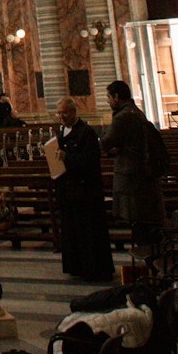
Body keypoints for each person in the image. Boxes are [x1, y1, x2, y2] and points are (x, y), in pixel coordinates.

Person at [101, 79, 165, 253]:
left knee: (138, 223)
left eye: (108, 97)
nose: (107, 101)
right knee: (142, 223)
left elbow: (106, 142)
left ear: (116, 96)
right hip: (140, 174)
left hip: (132, 176)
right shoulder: (135, 111)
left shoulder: (123, 116)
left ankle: (149, 262)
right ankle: (151, 259)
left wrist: (112, 147)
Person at [54, 97, 114, 281]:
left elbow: (90, 161)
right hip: (69, 190)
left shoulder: (86, 132)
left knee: (88, 231)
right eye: (59, 113)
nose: (62, 117)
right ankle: (76, 266)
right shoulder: (61, 132)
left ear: (74, 112)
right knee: (72, 230)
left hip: (86, 191)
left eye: (65, 113)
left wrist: (67, 157)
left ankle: (94, 268)